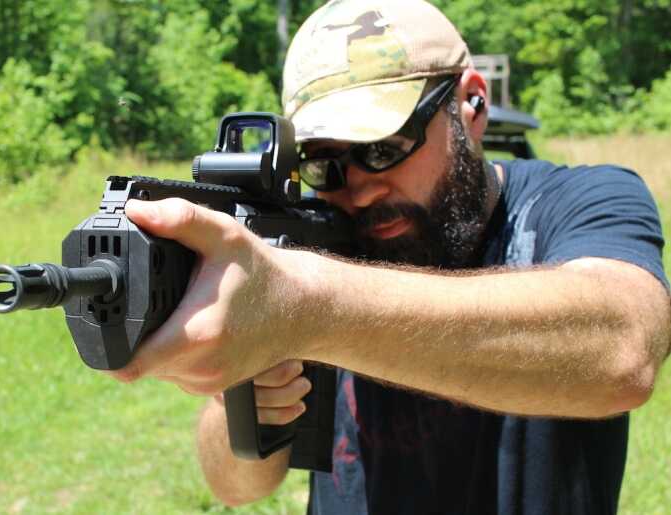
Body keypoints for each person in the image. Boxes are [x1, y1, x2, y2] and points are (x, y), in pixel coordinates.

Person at [110, 1, 671, 513]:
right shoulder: (309, 241)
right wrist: (244, 388)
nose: (359, 188)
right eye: (324, 164)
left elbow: (623, 349)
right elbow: (237, 487)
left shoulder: (580, 201)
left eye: (383, 149)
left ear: (471, 105)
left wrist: (308, 303)